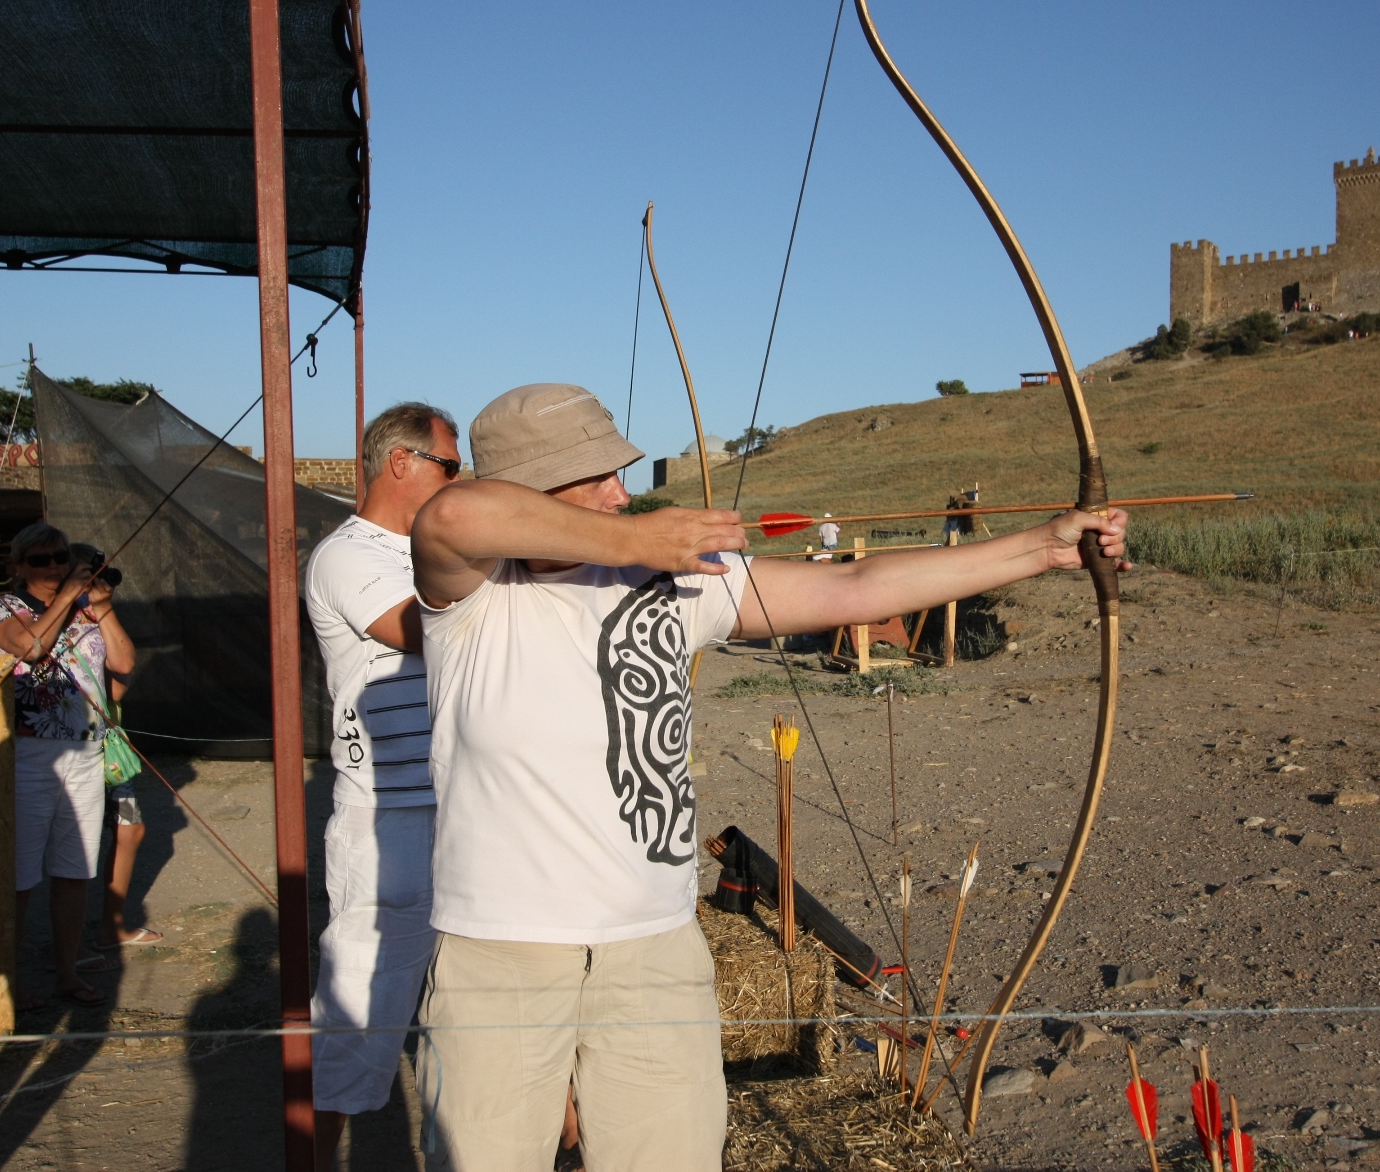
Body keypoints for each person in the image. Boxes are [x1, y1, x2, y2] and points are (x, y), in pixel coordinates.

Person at [408, 383, 1127, 1170]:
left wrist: (1044, 548)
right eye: (595, 477)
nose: (622, 493)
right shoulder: (472, 593)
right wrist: (640, 538)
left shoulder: (676, 579)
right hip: (502, 954)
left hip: (653, 950)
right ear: (529, 490)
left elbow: (856, 589)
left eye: (621, 473)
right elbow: (450, 516)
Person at [303, 402, 461, 1169]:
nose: (458, 482)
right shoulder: (346, 555)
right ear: (401, 462)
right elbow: (422, 630)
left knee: (487, 1010)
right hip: (388, 822)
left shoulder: (433, 551)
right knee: (359, 1024)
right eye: (450, 467)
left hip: (459, 807)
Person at [0, 522, 136, 1009]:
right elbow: (31, 647)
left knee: (75, 868)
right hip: (31, 753)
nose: (53, 566)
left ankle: (66, 973)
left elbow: (124, 665)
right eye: (41, 560)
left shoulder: (85, 608)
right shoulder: (7, 608)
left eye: (60, 557)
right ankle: (7, 983)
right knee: (22, 872)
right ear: (19, 566)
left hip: (86, 749)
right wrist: (67, 594)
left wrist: (101, 606)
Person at [66, 543, 162, 955]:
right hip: (65, 746)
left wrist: (103, 610)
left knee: (129, 828)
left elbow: (122, 671)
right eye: (90, 575)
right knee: (68, 851)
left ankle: (112, 925)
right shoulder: (54, 619)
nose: (99, 583)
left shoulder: (96, 617)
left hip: (104, 745)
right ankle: (65, 951)